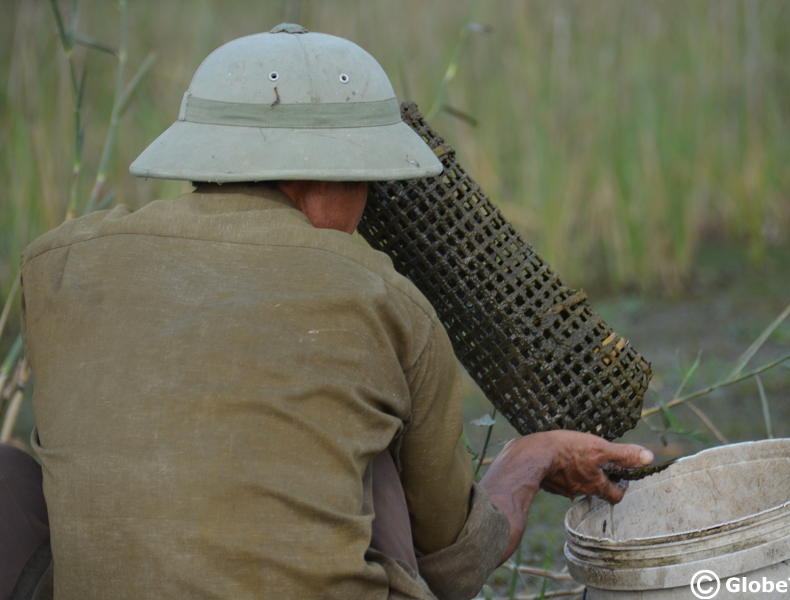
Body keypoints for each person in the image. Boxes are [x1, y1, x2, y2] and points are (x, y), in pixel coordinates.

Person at [17, 24, 653, 599]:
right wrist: (530, 457)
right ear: (323, 178)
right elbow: (454, 564)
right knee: (381, 472)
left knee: (12, 481)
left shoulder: (56, 267)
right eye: (368, 186)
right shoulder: (383, 297)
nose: (368, 212)